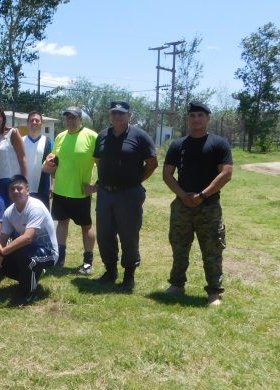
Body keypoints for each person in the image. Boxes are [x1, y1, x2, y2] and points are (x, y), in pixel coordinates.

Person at [163, 102, 233, 305]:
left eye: (200, 115)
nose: (196, 119)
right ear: (188, 119)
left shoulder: (219, 144)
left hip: (208, 206)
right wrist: (183, 196)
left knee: (212, 250)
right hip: (182, 206)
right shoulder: (178, 145)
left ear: (207, 118)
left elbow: (226, 173)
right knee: (179, 247)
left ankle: (213, 292)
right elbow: (167, 174)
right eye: (192, 115)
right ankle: (176, 284)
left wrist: (202, 195)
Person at [94, 101, 158, 292]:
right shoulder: (103, 135)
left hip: (129, 193)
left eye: (121, 114)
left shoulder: (140, 136)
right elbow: (98, 160)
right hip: (105, 193)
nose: (117, 117)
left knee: (129, 235)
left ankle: (129, 276)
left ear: (129, 116)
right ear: (110, 115)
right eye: (114, 113)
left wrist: (136, 180)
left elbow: (152, 163)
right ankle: (110, 271)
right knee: (104, 234)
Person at [0, 175, 58, 304]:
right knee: (1, 263)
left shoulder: (35, 207)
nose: (15, 191)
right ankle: (29, 277)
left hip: (48, 252)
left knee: (27, 260)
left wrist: (1, 253)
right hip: (27, 250)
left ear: (27, 190)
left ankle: (29, 292)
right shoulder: (9, 212)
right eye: (12, 189)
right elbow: (2, 240)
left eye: (19, 188)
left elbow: (27, 238)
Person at [45, 106, 98, 274]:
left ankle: (88, 262)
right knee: (62, 223)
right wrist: (51, 180)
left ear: (80, 119)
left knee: (86, 225)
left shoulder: (91, 136)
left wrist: (96, 186)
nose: (70, 121)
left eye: (73, 117)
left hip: (81, 192)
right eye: (67, 117)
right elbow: (53, 164)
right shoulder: (60, 137)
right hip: (61, 191)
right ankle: (60, 258)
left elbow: (102, 165)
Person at [0, 105, 28, 205]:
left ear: (3, 118)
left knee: (16, 213)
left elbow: (22, 158)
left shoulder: (13, 133)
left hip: (14, 181)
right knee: (2, 214)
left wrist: (24, 182)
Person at [23, 111, 53, 208]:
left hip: (43, 189)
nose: (34, 122)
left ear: (42, 123)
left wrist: (53, 185)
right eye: (32, 120)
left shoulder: (49, 142)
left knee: (42, 219)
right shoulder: (20, 141)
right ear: (27, 123)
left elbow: (53, 167)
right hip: (24, 188)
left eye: (37, 120)